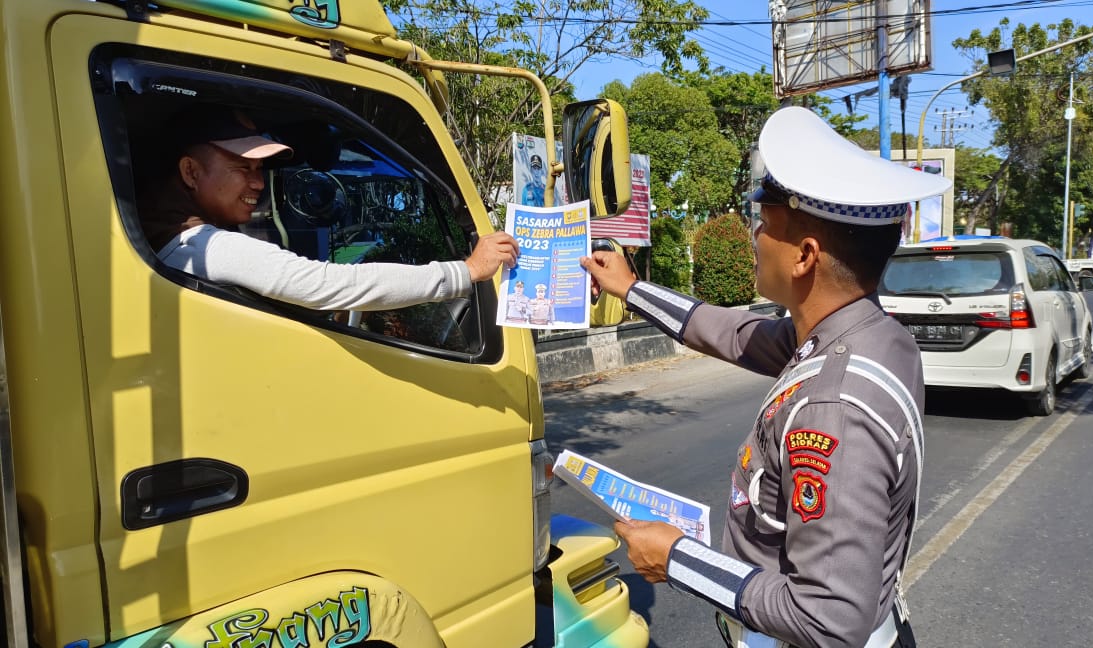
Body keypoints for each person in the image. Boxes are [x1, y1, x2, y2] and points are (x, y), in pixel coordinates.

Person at [579, 107, 951, 648]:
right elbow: (733, 332)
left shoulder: (835, 406)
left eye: (766, 223)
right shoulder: (868, 332)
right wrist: (633, 290)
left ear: (805, 256)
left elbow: (827, 620)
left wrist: (676, 559)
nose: (753, 234)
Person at [138, 105, 518, 311]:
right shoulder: (203, 250)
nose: (257, 182)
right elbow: (330, 284)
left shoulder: (167, 241)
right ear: (190, 171)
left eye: (258, 169)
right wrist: (466, 271)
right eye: (242, 167)